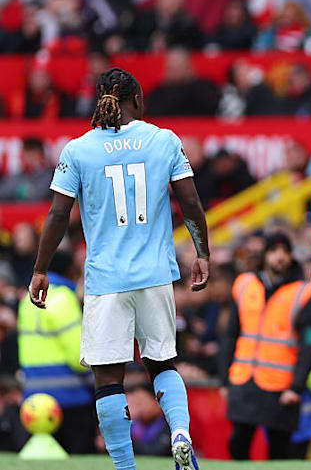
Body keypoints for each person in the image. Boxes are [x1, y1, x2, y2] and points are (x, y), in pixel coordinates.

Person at [27, 67, 210, 470]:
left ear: (99, 102)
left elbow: (59, 213)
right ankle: (180, 431)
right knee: (162, 363)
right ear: (138, 100)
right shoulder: (163, 140)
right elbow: (191, 203)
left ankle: (125, 467)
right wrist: (203, 252)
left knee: (108, 381)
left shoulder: (79, 150)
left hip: (106, 280)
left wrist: (40, 269)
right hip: (155, 275)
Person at [220, 232, 311, 460]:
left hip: (281, 385)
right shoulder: (244, 284)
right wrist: (224, 379)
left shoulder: (303, 293)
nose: (280, 257)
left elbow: (309, 345)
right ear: (265, 255)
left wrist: (296, 387)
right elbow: (230, 334)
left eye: (285, 252)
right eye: (274, 251)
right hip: (243, 378)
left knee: (279, 454)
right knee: (238, 445)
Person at [17, 250, 94, 454]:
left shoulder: (27, 300)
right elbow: (79, 357)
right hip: (71, 399)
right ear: (70, 270)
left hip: (35, 400)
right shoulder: (63, 298)